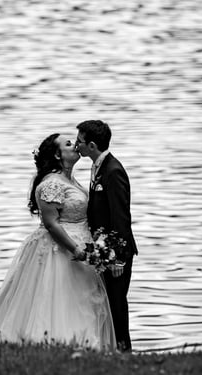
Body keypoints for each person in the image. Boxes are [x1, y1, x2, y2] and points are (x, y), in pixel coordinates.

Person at [0, 133, 116, 350]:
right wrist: (75, 249)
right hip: (60, 250)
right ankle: (55, 345)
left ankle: (85, 348)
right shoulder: (51, 184)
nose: (75, 145)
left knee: (82, 302)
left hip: (82, 246)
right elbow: (51, 224)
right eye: (69, 144)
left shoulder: (71, 180)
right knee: (56, 300)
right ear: (57, 155)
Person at [75, 120, 139, 352]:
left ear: (92, 145)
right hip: (105, 250)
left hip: (117, 253)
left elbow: (120, 217)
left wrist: (117, 258)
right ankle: (113, 350)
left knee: (117, 304)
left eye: (80, 142)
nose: (76, 147)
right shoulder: (98, 166)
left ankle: (125, 352)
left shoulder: (113, 171)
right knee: (108, 304)